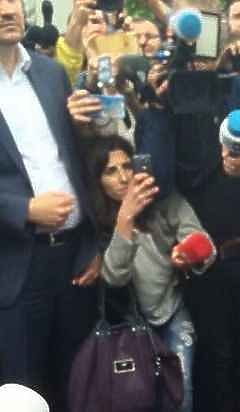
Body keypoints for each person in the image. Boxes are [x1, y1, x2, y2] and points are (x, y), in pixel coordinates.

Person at [0, 0, 100, 410]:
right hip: (16, 266)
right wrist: (23, 210)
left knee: (78, 385)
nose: (5, 10)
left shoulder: (50, 72)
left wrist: (91, 241)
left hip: (75, 262)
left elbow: (76, 160)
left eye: (11, 0)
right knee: (24, 392)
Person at [85, 136, 216, 412]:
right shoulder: (94, 221)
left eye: (127, 166)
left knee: (181, 396)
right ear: (98, 181)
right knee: (138, 399)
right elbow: (114, 277)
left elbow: (206, 246)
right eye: (111, 171)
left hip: (172, 311)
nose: (123, 177)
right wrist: (126, 219)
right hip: (127, 325)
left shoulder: (165, 200)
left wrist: (189, 252)